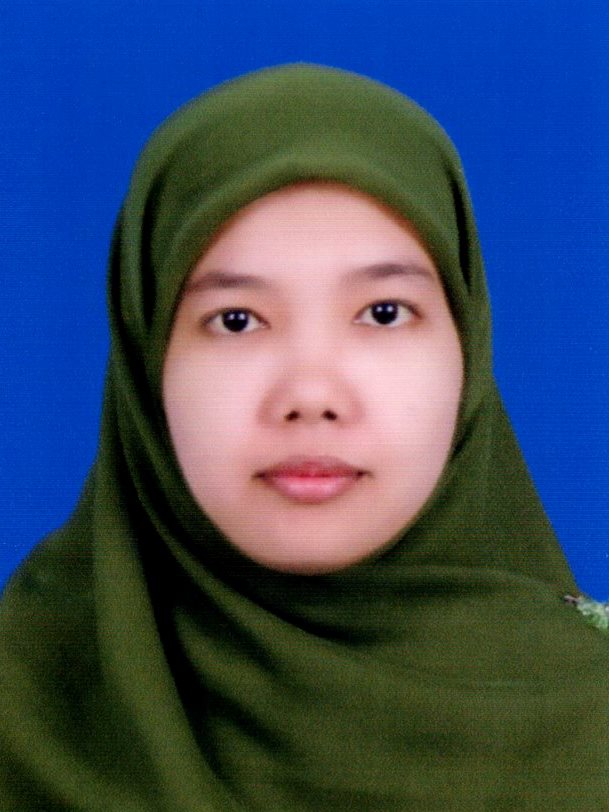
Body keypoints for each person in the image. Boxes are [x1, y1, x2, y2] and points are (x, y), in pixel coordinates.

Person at [1, 63, 607, 810]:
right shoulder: (21, 707)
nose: (311, 396)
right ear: (145, 359)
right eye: (235, 321)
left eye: (383, 313)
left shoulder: (592, 725)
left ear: (467, 348)